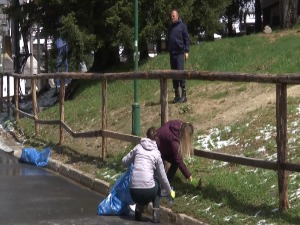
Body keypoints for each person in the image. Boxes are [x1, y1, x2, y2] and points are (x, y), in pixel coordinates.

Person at [122, 127, 175, 223]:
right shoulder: (156, 153)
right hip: (148, 191)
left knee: (142, 184)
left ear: (146, 136)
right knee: (157, 182)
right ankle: (156, 214)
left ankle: (138, 211)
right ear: (156, 139)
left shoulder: (138, 147)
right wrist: (169, 191)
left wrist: (134, 159)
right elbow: (163, 177)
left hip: (133, 191)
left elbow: (124, 162)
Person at [167, 9, 190, 103]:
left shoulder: (182, 26)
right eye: (171, 16)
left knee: (180, 73)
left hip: (180, 53)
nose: (172, 17)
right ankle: (177, 95)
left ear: (177, 16)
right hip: (172, 54)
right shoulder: (170, 28)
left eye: (173, 16)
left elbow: (186, 39)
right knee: (174, 74)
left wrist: (187, 51)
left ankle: (184, 96)